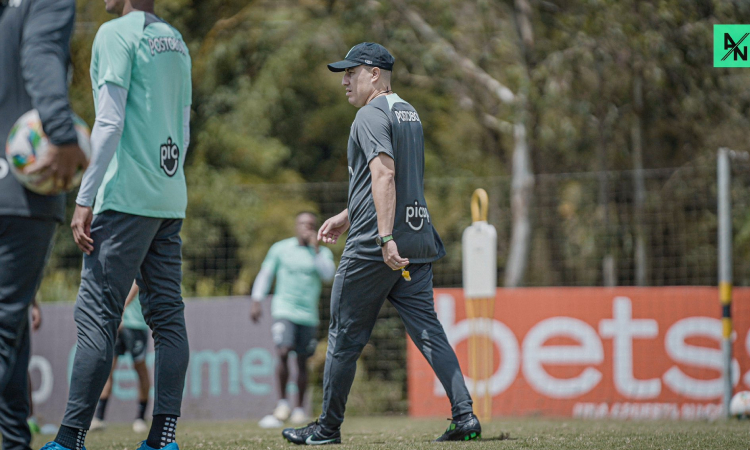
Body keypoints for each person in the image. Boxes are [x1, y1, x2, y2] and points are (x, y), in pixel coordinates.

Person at [282, 43, 481, 445]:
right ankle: (465, 418)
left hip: (378, 248)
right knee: (430, 333)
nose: (344, 81)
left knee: (342, 337)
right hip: (418, 240)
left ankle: (327, 428)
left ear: (374, 73)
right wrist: (347, 213)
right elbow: (389, 183)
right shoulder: (408, 111)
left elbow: (385, 177)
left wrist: (384, 238)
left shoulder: (368, 115)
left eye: (350, 72)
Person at [39, 0, 192, 449]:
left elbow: (108, 121)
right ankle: (163, 439)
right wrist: (170, 180)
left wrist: (84, 197)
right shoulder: (177, 42)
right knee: (167, 320)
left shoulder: (115, 33)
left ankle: (69, 441)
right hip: (169, 194)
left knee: (96, 318)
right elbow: (182, 126)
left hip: (124, 198)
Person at [0, 0, 89, 449]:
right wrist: (62, 131)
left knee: (11, 333)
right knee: (4, 328)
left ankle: (15, 443)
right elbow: (40, 56)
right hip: (19, 194)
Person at [250, 212, 335, 428]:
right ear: (296, 226)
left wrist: (315, 250)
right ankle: (282, 404)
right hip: (284, 310)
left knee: (302, 360)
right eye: (303, 224)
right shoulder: (280, 249)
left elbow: (328, 276)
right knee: (283, 350)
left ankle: (298, 409)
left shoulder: (322, 253)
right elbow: (266, 274)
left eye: (311, 225)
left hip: (308, 315)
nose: (307, 228)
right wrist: (256, 300)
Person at [91, 282, 152, 434]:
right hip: (116, 323)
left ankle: (140, 417)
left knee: (140, 368)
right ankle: (99, 418)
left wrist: (121, 307)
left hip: (136, 324)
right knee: (108, 368)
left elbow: (138, 281)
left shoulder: (137, 257)